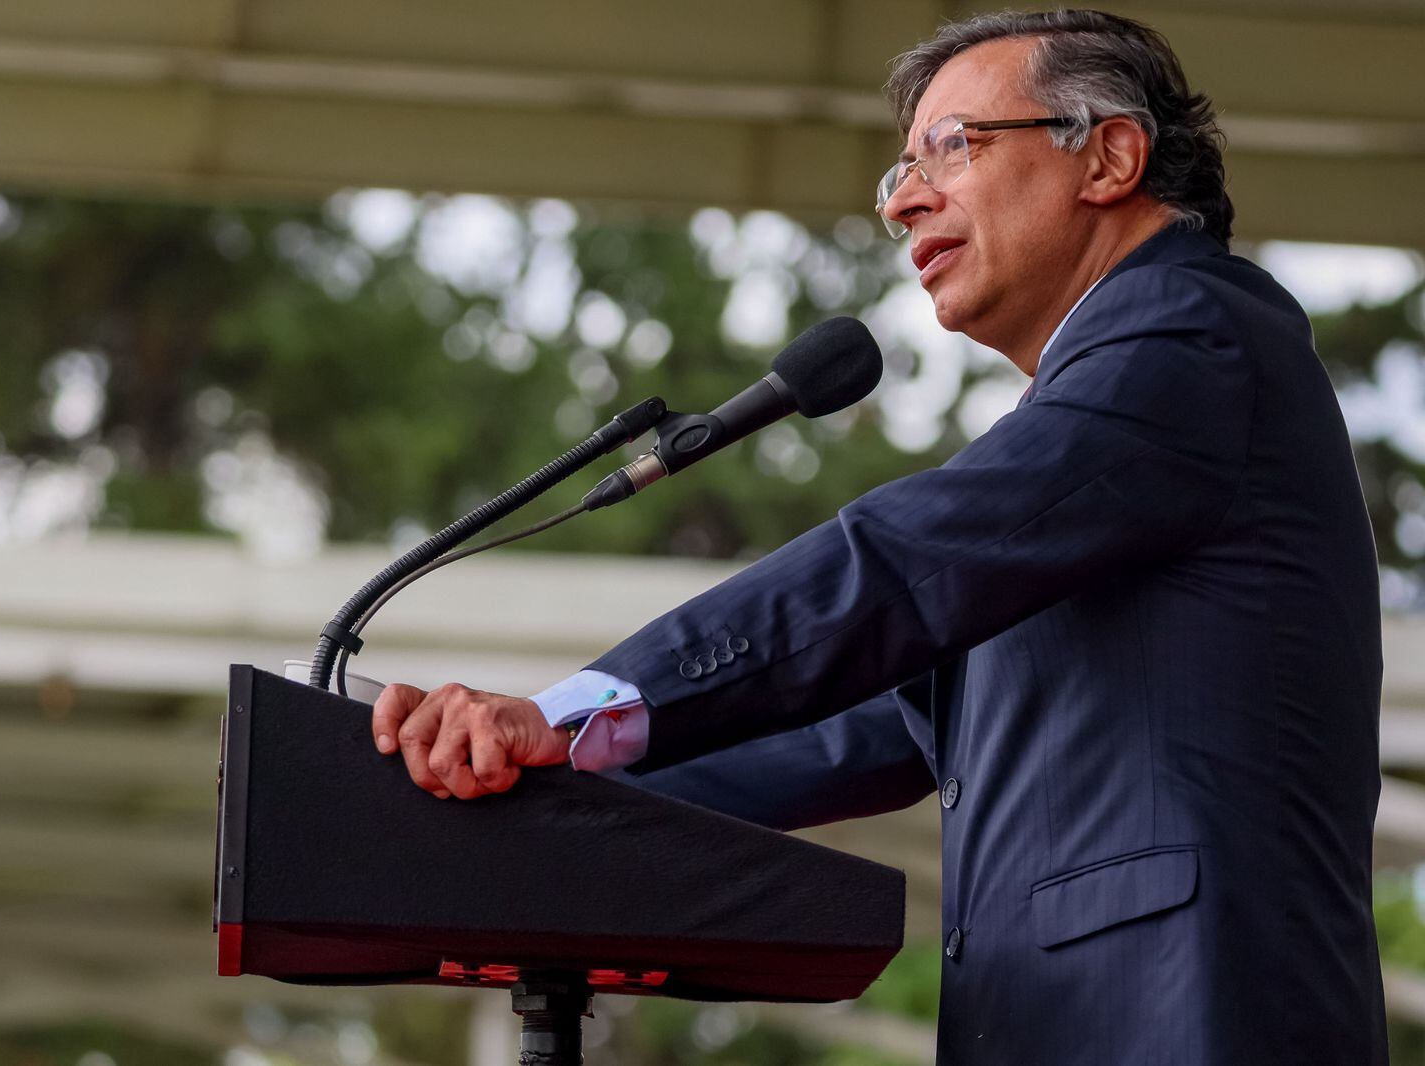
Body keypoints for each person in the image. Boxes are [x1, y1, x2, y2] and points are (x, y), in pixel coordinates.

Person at [371, 10, 1387, 1064]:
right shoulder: (1105, 444)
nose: (904, 201)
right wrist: (524, 785)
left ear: (1109, 158)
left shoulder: (1193, 331)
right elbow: (853, 732)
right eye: (899, 172)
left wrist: (573, 708)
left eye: (952, 146)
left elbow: (901, 564)